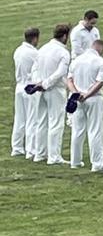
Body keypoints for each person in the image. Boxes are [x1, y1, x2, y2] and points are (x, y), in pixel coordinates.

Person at [67, 39, 103, 172]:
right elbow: (100, 82)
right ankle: (97, 163)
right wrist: (87, 95)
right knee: (95, 130)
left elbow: (69, 80)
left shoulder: (76, 61)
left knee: (77, 130)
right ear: (100, 49)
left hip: (77, 98)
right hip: (94, 99)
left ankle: (75, 160)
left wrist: (76, 93)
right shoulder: (101, 61)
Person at [32, 24, 71, 165]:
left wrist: (38, 82)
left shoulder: (42, 49)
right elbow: (60, 72)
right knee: (56, 122)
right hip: (54, 89)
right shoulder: (63, 53)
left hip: (40, 88)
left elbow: (34, 68)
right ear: (65, 36)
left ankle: (40, 153)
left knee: (41, 121)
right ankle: (54, 156)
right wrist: (46, 83)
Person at [11, 27, 40, 158]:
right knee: (32, 119)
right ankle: (31, 149)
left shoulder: (18, 50)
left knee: (20, 118)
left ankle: (16, 147)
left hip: (19, 86)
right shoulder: (34, 54)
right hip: (30, 87)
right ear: (35, 38)